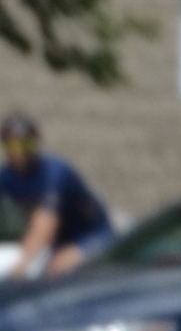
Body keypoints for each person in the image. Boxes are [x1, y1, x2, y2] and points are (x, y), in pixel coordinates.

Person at [0, 114, 115, 280]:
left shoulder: (54, 171)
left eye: (26, 145)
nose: (19, 153)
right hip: (60, 242)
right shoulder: (7, 176)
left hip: (93, 235)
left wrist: (19, 269)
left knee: (58, 267)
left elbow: (45, 223)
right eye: (12, 146)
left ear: (36, 143)